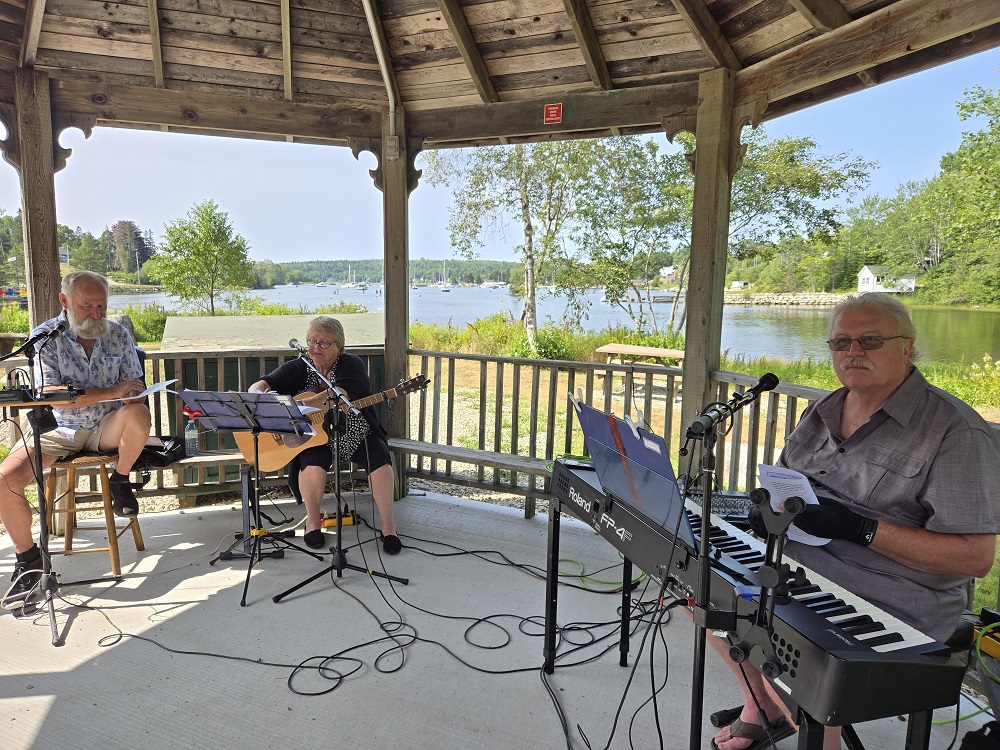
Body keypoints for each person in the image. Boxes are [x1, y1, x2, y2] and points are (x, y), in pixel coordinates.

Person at [710, 292, 1000, 750]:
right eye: (840, 342)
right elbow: (787, 485)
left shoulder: (954, 431)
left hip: (890, 594)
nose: (853, 352)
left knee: (805, 656)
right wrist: (766, 515)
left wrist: (861, 529)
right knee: (701, 589)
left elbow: (975, 558)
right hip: (799, 566)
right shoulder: (822, 410)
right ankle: (762, 704)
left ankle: (803, 720)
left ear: (908, 347)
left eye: (870, 340)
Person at [1, 271, 151, 610]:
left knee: (140, 415)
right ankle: (28, 561)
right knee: (3, 482)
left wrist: (135, 394)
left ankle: (121, 479)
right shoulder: (45, 338)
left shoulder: (118, 334)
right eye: (87, 306)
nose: (96, 314)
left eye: (102, 306)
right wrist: (112, 391)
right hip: (58, 430)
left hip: (106, 426)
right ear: (64, 301)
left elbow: (134, 383)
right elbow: (51, 394)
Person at [248, 315, 401, 555]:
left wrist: (300, 404)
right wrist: (261, 395)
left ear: (339, 346)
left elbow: (338, 395)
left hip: (356, 432)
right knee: (311, 463)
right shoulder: (300, 366)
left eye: (323, 343)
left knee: (379, 457)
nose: (315, 347)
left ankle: (388, 526)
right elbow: (262, 384)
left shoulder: (351, 364)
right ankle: (312, 522)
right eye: (311, 341)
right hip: (315, 437)